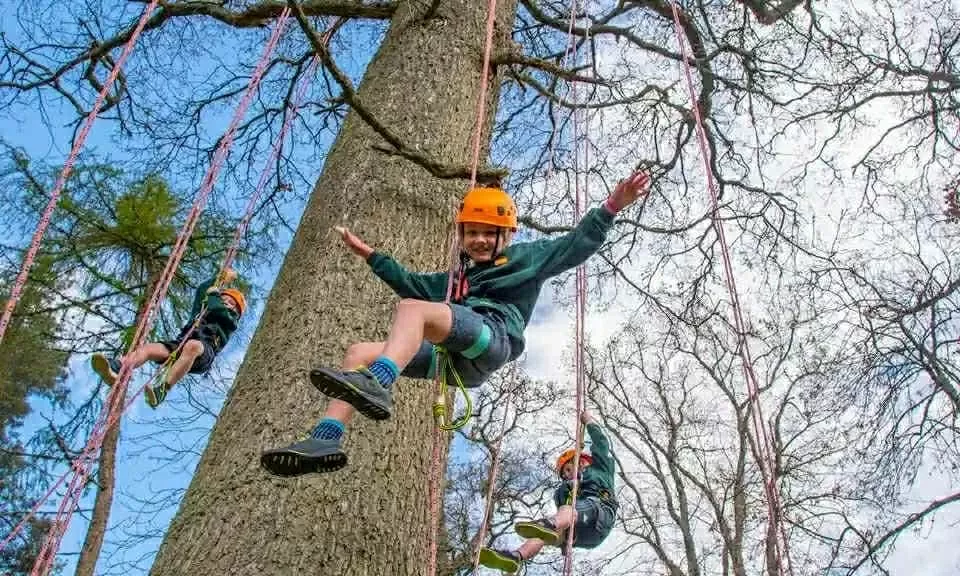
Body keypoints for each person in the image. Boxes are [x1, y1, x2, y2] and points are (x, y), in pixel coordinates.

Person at [260, 172, 651, 476]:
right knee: (358, 352)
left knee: (414, 311)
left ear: (505, 235)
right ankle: (325, 438)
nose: (479, 240)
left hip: (492, 338)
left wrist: (613, 205)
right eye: (471, 233)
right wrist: (371, 256)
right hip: (457, 362)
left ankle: (378, 380)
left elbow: (574, 245)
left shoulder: (526, 259)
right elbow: (411, 283)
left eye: (487, 234)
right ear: (462, 235)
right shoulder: (455, 282)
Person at [478, 411, 617, 573]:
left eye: (567, 469)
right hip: (583, 535)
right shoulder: (566, 489)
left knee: (567, 511)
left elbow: (601, 444)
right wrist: (569, 487)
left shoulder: (600, 469)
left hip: (601, 513)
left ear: (579, 460)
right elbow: (562, 501)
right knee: (542, 535)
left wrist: (590, 422)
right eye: (564, 475)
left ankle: (550, 524)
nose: (566, 475)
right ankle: (517, 557)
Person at [91, 268, 246, 408]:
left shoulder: (230, 321)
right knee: (150, 349)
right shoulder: (202, 310)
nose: (227, 303)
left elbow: (216, 307)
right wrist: (221, 277)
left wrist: (214, 295)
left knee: (193, 345)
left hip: (204, 352)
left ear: (236, 311)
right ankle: (118, 368)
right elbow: (202, 291)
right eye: (225, 299)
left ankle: (162, 390)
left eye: (232, 304)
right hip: (180, 345)